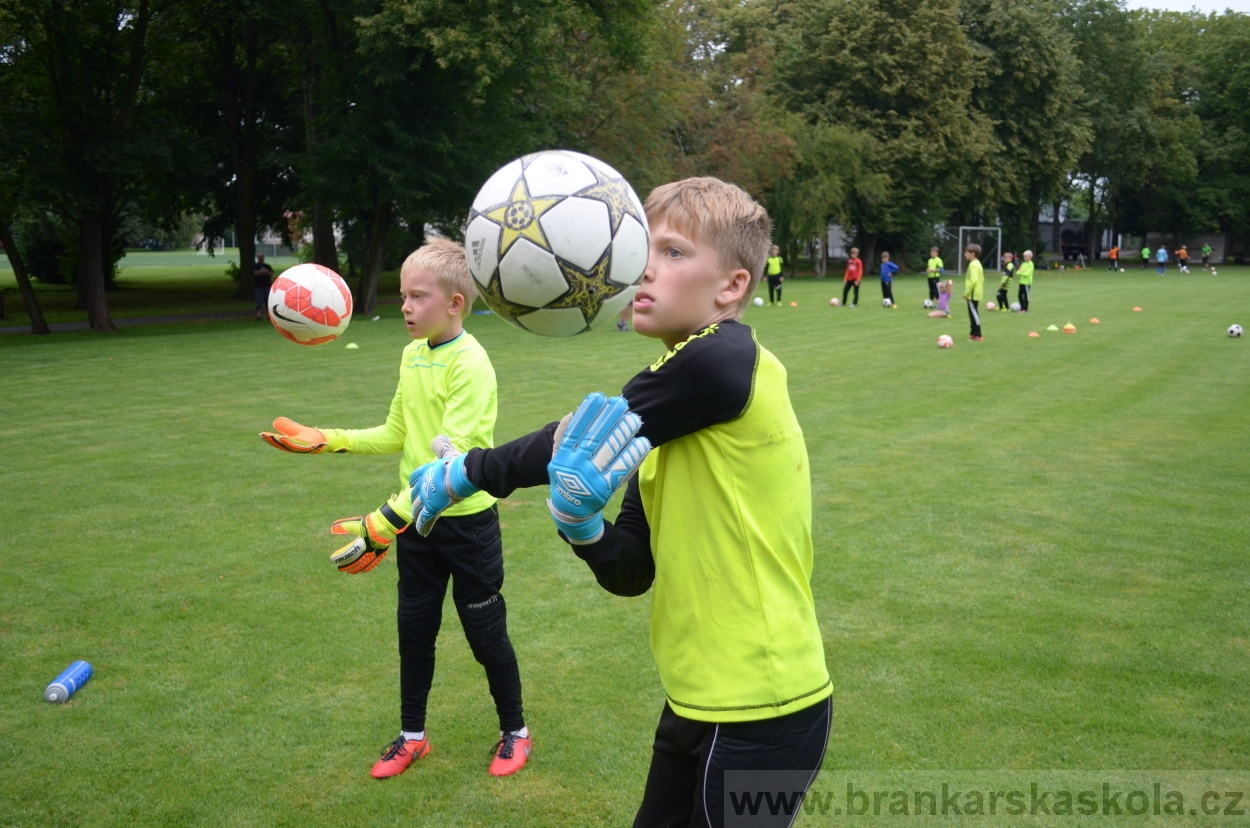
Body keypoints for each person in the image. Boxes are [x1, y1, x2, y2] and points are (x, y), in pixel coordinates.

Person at [406, 177, 832, 828]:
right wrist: (581, 527)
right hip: (696, 700)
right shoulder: (669, 429)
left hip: (766, 707)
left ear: (732, 287)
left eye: (673, 252)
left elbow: (577, 433)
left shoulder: (723, 361)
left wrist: (465, 473)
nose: (642, 268)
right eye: (642, 248)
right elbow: (632, 569)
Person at [259, 238, 530, 780]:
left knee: (486, 635)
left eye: (417, 297)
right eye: (403, 295)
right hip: (415, 527)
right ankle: (412, 738)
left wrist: (383, 521)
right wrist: (327, 438)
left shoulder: (471, 364)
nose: (404, 307)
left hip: (466, 524)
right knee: (414, 632)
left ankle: (515, 732)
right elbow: (396, 434)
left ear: (454, 303)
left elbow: (447, 472)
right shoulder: (411, 353)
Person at [963, 243, 984, 340]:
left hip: (972, 294)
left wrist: (966, 292)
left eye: (967, 252)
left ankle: (977, 334)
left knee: (974, 314)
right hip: (975, 293)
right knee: (972, 313)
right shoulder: (976, 263)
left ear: (973, 253)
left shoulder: (973, 265)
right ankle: (973, 333)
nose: (965, 254)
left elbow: (973, 280)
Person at [253, 252, 274, 320]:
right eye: (259, 257)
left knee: (267, 301)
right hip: (259, 286)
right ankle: (258, 315)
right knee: (259, 301)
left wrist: (263, 272)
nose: (261, 258)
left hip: (267, 286)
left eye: (262, 257)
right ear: (257, 258)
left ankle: (269, 315)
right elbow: (256, 273)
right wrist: (264, 272)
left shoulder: (267, 266)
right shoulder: (255, 266)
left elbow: (270, 273)